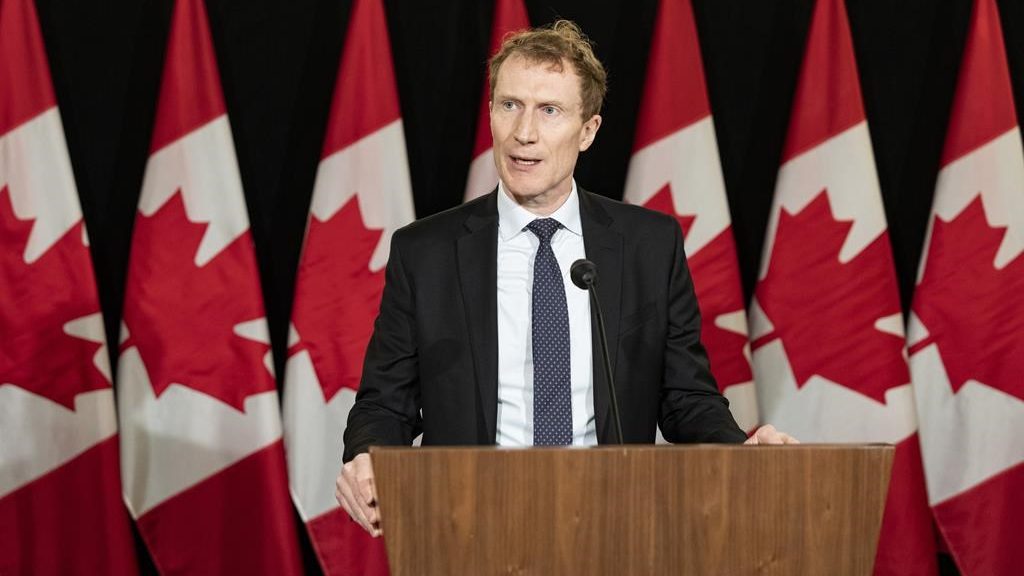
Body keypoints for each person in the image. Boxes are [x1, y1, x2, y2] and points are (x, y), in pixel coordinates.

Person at [335, 20, 796, 537]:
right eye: (509, 105)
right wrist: (366, 458)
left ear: (588, 130)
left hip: (613, 525)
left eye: (549, 111)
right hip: (469, 525)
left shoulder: (648, 245)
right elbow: (386, 400)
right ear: (490, 114)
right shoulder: (427, 252)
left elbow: (685, 396)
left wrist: (740, 450)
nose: (523, 132)